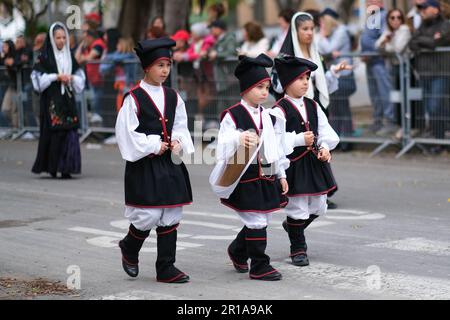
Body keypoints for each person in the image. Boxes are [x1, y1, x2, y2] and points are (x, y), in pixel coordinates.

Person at [115, 37, 194, 283]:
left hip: (170, 162)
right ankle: (130, 247)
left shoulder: (173, 96)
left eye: (168, 65)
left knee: (171, 211)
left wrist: (178, 141)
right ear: (147, 67)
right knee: (147, 215)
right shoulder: (134, 98)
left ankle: (166, 267)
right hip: (145, 163)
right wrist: (152, 145)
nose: (165, 70)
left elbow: (181, 124)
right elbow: (127, 133)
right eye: (160, 65)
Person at [209, 53, 290, 281]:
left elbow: (276, 149)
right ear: (245, 89)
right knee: (256, 219)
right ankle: (259, 265)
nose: (265, 92)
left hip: (266, 175)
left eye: (266, 87)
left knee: (261, 219)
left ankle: (237, 250)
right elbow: (221, 142)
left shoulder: (270, 116)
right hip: (245, 177)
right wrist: (238, 138)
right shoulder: (232, 115)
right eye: (259, 87)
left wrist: (281, 174)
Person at [272, 56, 339, 267]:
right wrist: (299, 139)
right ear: (286, 82)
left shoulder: (313, 105)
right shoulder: (278, 109)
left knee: (319, 205)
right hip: (294, 165)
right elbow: (275, 141)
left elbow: (325, 131)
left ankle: (293, 227)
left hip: (314, 163)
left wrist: (325, 148)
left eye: (307, 78)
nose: (305, 82)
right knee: (297, 206)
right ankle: (298, 249)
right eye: (299, 78)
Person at [31, 22, 86, 179]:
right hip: (51, 100)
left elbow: (80, 79)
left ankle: (67, 167)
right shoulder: (44, 57)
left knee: (70, 130)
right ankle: (53, 166)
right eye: (58, 38)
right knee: (55, 132)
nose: (61, 41)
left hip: (67, 99)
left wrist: (71, 78)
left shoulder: (69, 56)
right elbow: (37, 81)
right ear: (52, 39)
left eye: (64, 37)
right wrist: (55, 77)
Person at [409, 0, 450, 153]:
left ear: (435, 9)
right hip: (424, 73)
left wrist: (423, 41)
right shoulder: (422, 26)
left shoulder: (445, 24)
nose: (423, 11)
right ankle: (439, 141)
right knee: (432, 110)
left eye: (425, 8)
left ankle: (441, 138)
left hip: (440, 72)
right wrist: (428, 41)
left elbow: (437, 42)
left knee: (435, 106)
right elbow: (411, 43)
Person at [317, 8, 356, 151]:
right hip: (335, 75)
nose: (320, 26)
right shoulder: (331, 34)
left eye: (322, 22)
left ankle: (347, 139)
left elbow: (329, 48)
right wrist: (327, 50)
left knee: (343, 109)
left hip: (344, 76)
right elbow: (322, 51)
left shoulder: (341, 32)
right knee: (336, 109)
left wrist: (321, 37)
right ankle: (339, 139)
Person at [376, 8, 412, 139]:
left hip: (407, 69)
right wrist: (385, 44)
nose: (396, 20)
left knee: (407, 98)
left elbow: (398, 48)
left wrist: (385, 45)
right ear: (388, 20)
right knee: (396, 98)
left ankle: (408, 127)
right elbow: (377, 45)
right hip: (394, 68)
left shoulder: (404, 30)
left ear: (402, 19)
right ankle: (400, 125)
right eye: (392, 17)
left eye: (398, 17)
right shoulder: (388, 32)